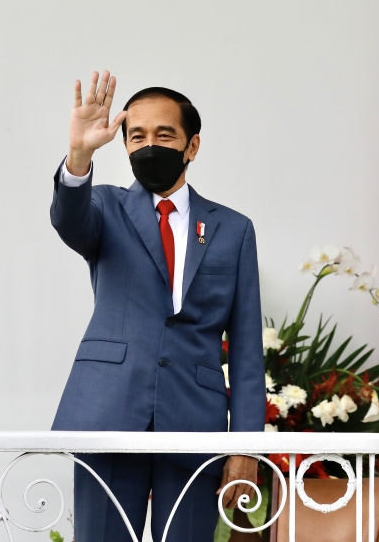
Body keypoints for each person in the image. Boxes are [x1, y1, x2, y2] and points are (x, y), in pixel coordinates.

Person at [50, 70, 265, 542]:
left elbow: (247, 350)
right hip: (108, 411)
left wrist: (246, 445)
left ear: (192, 146)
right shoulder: (104, 206)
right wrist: (79, 155)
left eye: (164, 135)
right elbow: (69, 221)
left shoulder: (233, 229)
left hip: (194, 421)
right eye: (137, 136)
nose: (150, 145)